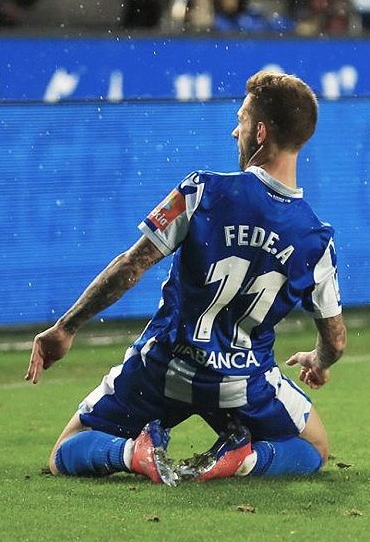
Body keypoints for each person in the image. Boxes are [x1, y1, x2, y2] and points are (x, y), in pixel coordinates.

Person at [26, 71, 347, 485]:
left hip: (164, 368)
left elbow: (130, 267)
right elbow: (335, 341)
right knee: (314, 447)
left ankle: (132, 453)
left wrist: (65, 327)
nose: (236, 131)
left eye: (243, 119)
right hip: (242, 383)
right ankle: (244, 459)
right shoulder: (315, 239)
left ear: (261, 132)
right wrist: (317, 362)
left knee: (64, 452)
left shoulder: (203, 191)